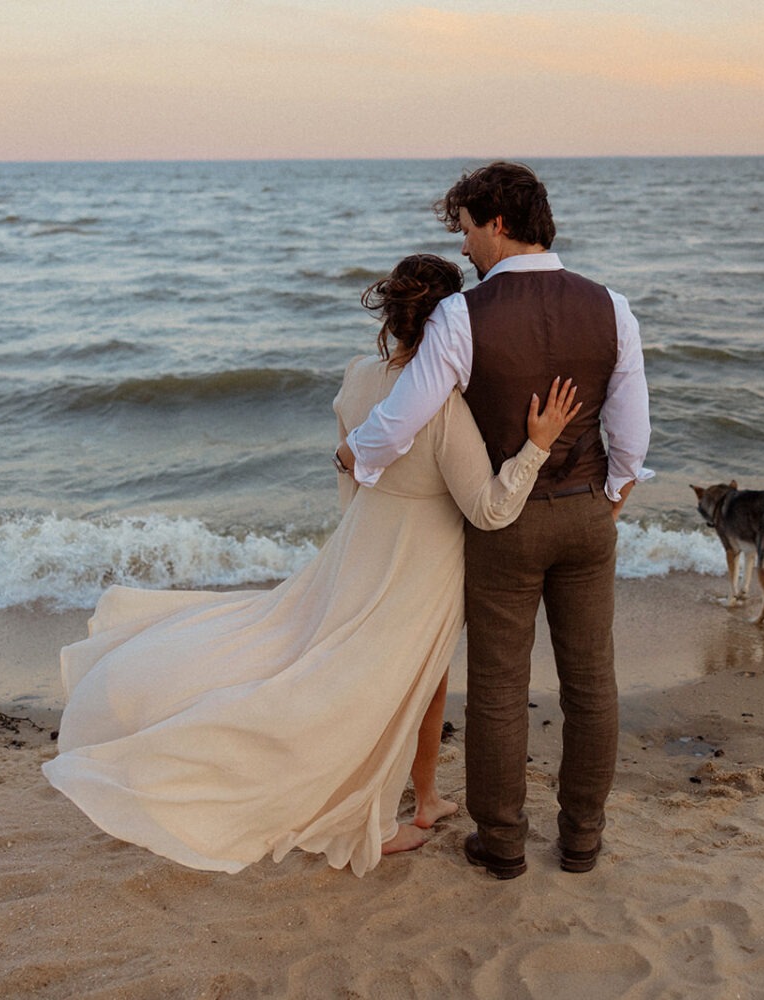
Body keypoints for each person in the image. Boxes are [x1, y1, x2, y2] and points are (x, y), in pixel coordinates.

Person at [43, 253, 580, 876]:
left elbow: (348, 468)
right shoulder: (444, 407)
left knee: (417, 674)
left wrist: (350, 539)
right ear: (451, 325)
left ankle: (427, 796)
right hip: (420, 559)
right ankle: (374, 818)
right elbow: (488, 510)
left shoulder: (359, 376)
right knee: (377, 684)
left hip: (362, 539)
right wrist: (536, 448)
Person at [340, 162, 651, 878]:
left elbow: (402, 418)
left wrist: (354, 456)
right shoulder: (613, 307)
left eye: (469, 230)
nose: (466, 249)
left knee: (501, 687)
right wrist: (613, 494)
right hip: (584, 516)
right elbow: (630, 436)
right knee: (591, 684)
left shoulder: (461, 315)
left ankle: (503, 843)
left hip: (504, 528)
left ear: (499, 223)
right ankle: (581, 840)